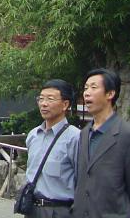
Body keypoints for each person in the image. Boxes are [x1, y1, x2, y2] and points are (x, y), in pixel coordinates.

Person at [73, 68, 130, 218]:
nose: (87, 92)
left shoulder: (129, 137)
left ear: (110, 94)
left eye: (94, 87)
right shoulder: (83, 134)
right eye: (85, 88)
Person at [24, 79, 80, 217]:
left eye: (50, 99)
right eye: (41, 99)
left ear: (65, 104)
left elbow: (83, 179)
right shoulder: (33, 135)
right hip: (32, 208)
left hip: (60, 210)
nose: (44, 104)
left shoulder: (75, 137)